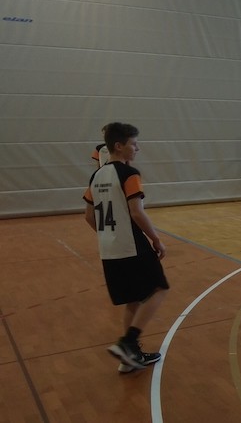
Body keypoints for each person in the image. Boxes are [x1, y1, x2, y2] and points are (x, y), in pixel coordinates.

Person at [82, 122, 169, 373]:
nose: (137, 148)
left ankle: (130, 358)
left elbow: (88, 216)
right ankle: (128, 342)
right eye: (134, 144)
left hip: (109, 249)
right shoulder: (129, 174)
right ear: (119, 146)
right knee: (159, 288)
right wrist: (156, 239)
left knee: (133, 299)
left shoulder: (97, 176)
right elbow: (136, 212)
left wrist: (108, 236)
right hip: (131, 245)